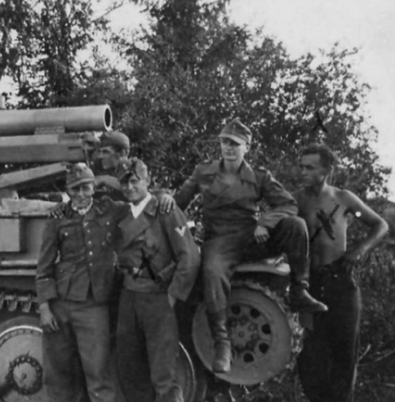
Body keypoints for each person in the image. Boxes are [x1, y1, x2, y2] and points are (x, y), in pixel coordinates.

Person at [173, 118, 327, 374]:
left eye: (235, 144)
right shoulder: (204, 172)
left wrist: (265, 223)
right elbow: (179, 203)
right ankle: (222, 343)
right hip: (219, 240)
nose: (228, 148)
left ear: (246, 147)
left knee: (296, 225)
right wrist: (164, 203)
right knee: (212, 271)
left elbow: (288, 204)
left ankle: (300, 289)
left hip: (251, 237)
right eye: (224, 142)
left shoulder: (259, 176)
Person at [293, 144, 388, 402]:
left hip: (341, 283)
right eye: (301, 166)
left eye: (309, 167)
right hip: (309, 286)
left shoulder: (343, 199)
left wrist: (359, 251)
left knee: (344, 357)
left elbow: (380, 225)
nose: (303, 171)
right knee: (310, 359)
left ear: (325, 170)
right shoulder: (297, 200)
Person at [115, 158, 200, 402]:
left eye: (134, 181)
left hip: (158, 297)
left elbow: (190, 258)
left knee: (165, 373)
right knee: (130, 368)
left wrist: (173, 296)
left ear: (147, 181)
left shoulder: (166, 210)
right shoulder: (121, 212)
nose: (129, 187)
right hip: (129, 296)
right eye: (124, 182)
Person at [36, 163, 120, 402]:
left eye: (85, 188)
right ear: (68, 191)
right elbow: (44, 265)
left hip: (93, 304)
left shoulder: (109, 210)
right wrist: (44, 307)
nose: (81, 195)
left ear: (94, 188)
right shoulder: (57, 217)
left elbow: (136, 196)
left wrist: (105, 178)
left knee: (98, 371)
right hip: (61, 304)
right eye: (75, 190)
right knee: (59, 372)